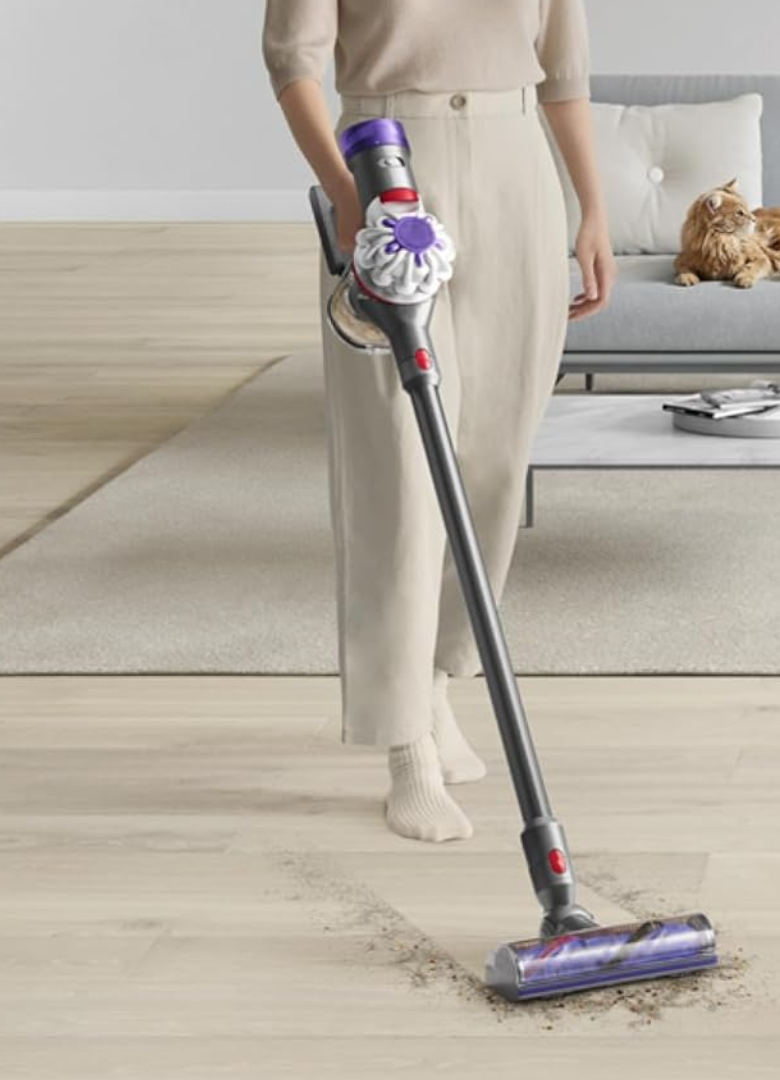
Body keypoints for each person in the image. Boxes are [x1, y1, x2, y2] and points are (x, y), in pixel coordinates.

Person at [263, 0, 615, 843]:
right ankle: (404, 743)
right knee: (397, 460)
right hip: (390, 163)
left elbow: (563, 75)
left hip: (516, 167)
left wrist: (591, 208)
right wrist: (349, 195)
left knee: (496, 451)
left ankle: (438, 680)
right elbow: (291, 63)